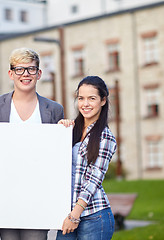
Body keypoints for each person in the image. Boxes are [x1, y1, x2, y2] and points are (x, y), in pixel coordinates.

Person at [0, 47, 64, 240]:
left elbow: (58, 155)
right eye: (19, 69)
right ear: (11, 74)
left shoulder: (54, 109)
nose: (25, 74)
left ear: (39, 74)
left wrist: (64, 127)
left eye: (31, 69)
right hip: (5, 195)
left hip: (38, 196)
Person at [56, 76, 116, 240]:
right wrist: (59, 132)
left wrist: (74, 215)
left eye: (92, 98)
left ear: (103, 100)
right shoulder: (71, 130)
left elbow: (94, 179)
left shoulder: (105, 137)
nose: (85, 104)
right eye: (81, 98)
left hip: (93, 216)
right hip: (66, 213)